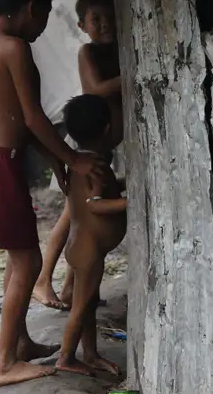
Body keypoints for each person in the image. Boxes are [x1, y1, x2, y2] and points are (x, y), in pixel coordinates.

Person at [0, 0, 106, 387]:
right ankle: (3, 363)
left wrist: (57, 161)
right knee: (29, 261)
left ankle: (20, 343)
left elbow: (21, 123)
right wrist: (75, 160)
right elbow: (34, 117)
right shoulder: (15, 49)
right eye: (44, 14)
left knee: (18, 257)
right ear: (29, 8)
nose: (44, 24)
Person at [33, 0, 122, 310]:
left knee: (80, 220)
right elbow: (96, 89)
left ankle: (72, 287)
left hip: (103, 148)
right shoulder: (90, 53)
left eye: (111, 17)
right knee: (72, 216)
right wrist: (132, 72)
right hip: (84, 148)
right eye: (96, 19)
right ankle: (43, 279)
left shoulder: (117, 50)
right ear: (82, 26)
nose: (105, 24)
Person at [55, 94, 126, 376]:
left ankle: (91, 354)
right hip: (88, 250)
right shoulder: (95, 167)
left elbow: (98, 191)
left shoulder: (81, 162)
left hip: (80, 245)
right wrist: (128, 201)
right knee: (81, 307)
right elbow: (94, 204)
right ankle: (66, 357)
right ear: (108, 128)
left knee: (88, 303)